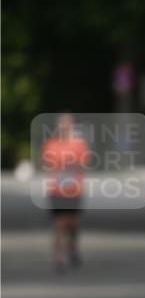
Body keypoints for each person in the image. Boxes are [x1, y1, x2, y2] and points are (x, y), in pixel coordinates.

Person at [40, 112, 89, 271]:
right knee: (59, 223)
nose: (64, 127)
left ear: (71, 126)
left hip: (74, 189)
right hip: (56, 190)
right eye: (61, 124)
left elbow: (83, 164)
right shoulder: (51, 144)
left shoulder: (78, 144)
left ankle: (72, 248)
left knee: (72, 223)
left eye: (67, 124)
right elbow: (46, 163)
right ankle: (57, 256)